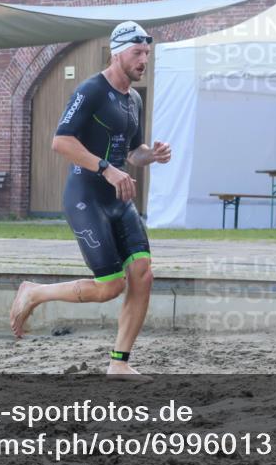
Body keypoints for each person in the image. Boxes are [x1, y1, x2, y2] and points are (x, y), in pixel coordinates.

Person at [9, 21, 171, 378]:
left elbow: (132, 153)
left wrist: (152, 155)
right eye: (137, 53)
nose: (144, 60)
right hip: (87, 196)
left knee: (142, 274)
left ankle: (119, 363)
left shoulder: (134, 98)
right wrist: (105, 169)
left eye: (147, 53)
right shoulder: (90, 91)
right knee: (109, 287)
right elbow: (61, 141)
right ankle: (35, 293)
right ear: (117, 53)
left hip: (118, 198)